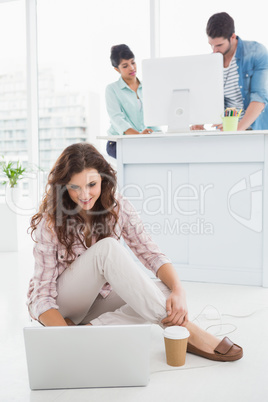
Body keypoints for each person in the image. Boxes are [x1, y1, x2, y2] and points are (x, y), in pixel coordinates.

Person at [27, 142, 243, 362]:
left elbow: (151, 253)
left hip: (97, 305)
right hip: (63, 307)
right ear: (64, 187)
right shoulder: (52, 221)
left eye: (91, 184)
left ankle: (89, 330)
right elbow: (41, 297)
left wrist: (179, 289)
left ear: (103, 178)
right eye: (75, 187)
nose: (84, 195)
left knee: (166, 295)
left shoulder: (118, 207)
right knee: (108, 249)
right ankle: (189, 332)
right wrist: (64, 336)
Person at [206, 12, 268, 131]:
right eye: (211, 45)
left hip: (254, 130)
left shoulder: (256, 53)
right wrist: (200, 122)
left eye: (219, 45)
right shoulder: (212, 61)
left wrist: (236, 130)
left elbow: (259, 98)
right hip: (229, 131)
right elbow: (209, 98)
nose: (214, 51)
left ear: (233, 37)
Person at [105, 44, 157, 158]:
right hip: (119, 142)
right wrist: (138, 136)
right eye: (125, 66)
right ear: (116, 69)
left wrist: (160, 135)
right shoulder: (112, 89)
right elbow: (117, 119)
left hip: (143, 141)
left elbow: (154, 117)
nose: (132, 68)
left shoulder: (148, 86)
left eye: (133, 63)